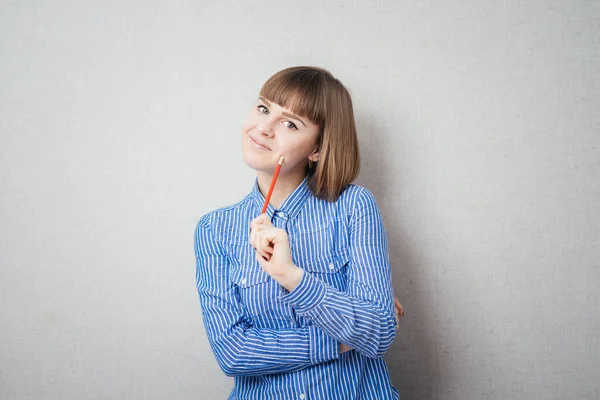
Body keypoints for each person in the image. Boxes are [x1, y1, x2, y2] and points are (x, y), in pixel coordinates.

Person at [194, 66, 404, 399]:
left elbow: (378, 333)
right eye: (263, 108)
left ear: (317, 149)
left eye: (290, 123)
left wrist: (290, 276)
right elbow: (233, 353)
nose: (264, 128)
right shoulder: (215, 229)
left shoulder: (353, 207)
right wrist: (340, 340)